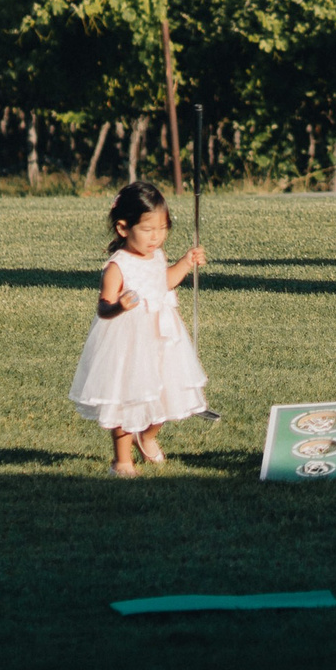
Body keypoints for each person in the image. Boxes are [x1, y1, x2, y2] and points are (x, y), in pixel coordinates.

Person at [70, 181, 209, 476]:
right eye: (147, 230)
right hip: (128, 341)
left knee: (164, 392)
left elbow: (164, 281)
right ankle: (121, 459)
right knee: (126, 399)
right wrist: (119, 306)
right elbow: (103, 308)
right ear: (123, 228)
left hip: (162, 337)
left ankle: (146, 437)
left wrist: (186, 262)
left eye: (162, 229)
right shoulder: (117, 266)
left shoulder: (157, 255)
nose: (156, 237)